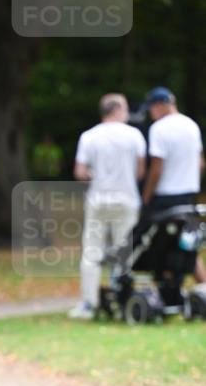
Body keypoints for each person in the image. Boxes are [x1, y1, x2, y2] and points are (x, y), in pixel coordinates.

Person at [69, 93, 146, 320]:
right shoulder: (134, 136)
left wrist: (97, 176)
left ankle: (89, 304)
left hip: (98, 201)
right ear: (117, 110)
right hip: (126, 200)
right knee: (124, 253)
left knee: (92, 253)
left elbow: (80, 172)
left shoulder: (89, 137)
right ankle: (122, 300)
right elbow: (141, 171)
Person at [142, 86, 205, 283]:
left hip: (165, 197)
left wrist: (146, 196)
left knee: (160, 244)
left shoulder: (159, 128)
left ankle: (164, 288)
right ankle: (203, 286)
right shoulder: (191, 125)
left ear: (160, 105)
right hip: (189, 195)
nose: (151, 114)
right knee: (188, 243)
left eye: (151, 108)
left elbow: (156, 169)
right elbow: (201, 164)